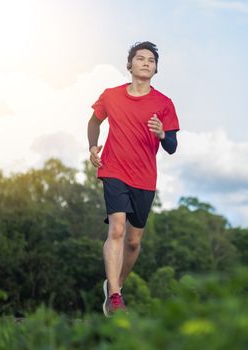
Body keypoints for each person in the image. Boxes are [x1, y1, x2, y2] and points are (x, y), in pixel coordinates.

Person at [87, 41, 179, 316]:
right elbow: (94, 122)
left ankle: (114, 287)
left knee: (133, 241)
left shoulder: (163, 104)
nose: (146, 63)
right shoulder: (111, 96)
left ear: (155, 69)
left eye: (151, 60)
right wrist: (93, 146)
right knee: (116, 229)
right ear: (130, 65)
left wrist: (163, 134)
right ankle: (115, 296)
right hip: (114, 169)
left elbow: (172, 146)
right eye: (140, 58)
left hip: (144, 177)